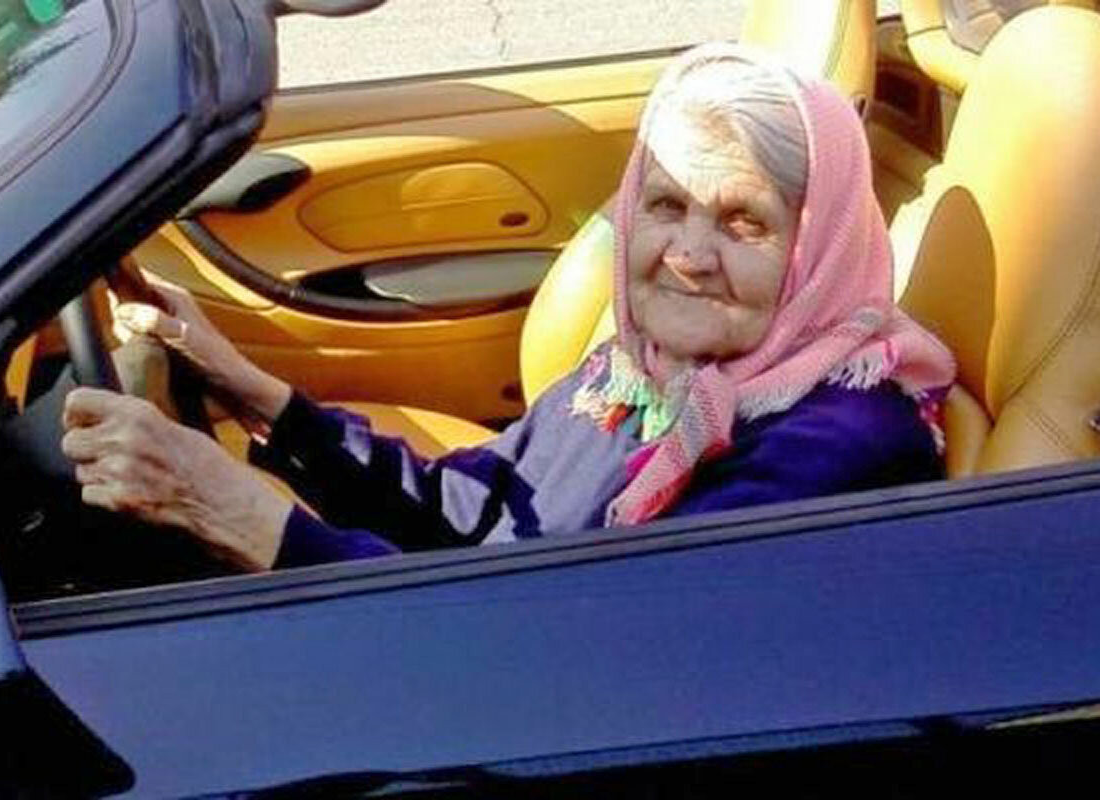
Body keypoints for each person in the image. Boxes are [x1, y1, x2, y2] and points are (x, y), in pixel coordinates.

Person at [60, 43, 956, 573]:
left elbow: (572, 645)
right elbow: (476, 505)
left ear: (817, 246)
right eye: (666, 205)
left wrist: (240, 515)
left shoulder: (838, 444)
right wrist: (249, 388)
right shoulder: (647, 370)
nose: (687, 255)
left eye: (743, 221)